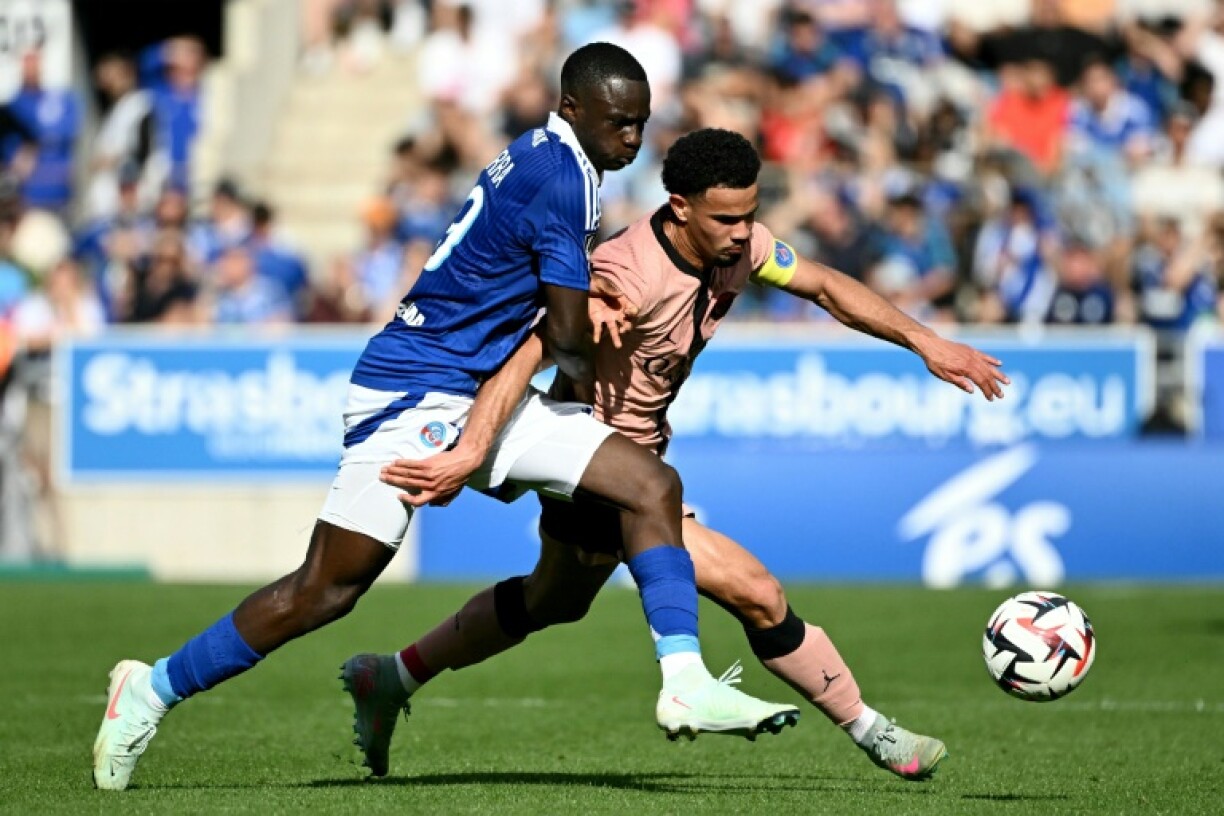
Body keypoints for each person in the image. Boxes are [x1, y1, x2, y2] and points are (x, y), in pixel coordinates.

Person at [92, 44, 796, 792]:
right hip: (415, 389)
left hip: (478, 385)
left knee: (649, 484)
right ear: (572, 110)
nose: (633, 140)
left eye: (641, 125)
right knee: (327, 589)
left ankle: (682, 678)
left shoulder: (554, 159)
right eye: (619, 124)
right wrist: (593, 366)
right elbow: (562, 336)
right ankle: (151, 688)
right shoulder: (564, 182)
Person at [362, 128, 1010, 780]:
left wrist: (928, 342)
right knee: (755, 590)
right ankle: (872, 733)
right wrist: (476, 440)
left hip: (631, 459)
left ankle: (392, 675)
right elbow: (536, 340)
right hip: (596, 461)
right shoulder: (627, 270)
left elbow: (825, 287)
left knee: (553, 599)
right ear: (679, 207)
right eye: (725, 218)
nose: (741, 232)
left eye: (750, 215)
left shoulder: (744, 248)